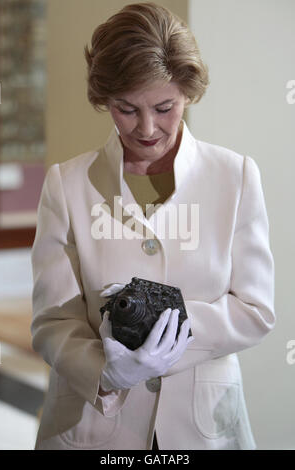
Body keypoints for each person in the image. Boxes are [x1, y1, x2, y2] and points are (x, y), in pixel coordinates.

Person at [31, 2, 275, 450]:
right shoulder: (66, 185)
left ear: (188, 93)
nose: (147, 128)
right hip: (91, 428)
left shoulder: (235, 177)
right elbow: (51, 322)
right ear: (105, 100)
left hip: (204, 429)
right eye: (126, 109)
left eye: (165, 107)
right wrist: (105, 372)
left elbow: (256, 309)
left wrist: (166, 326)